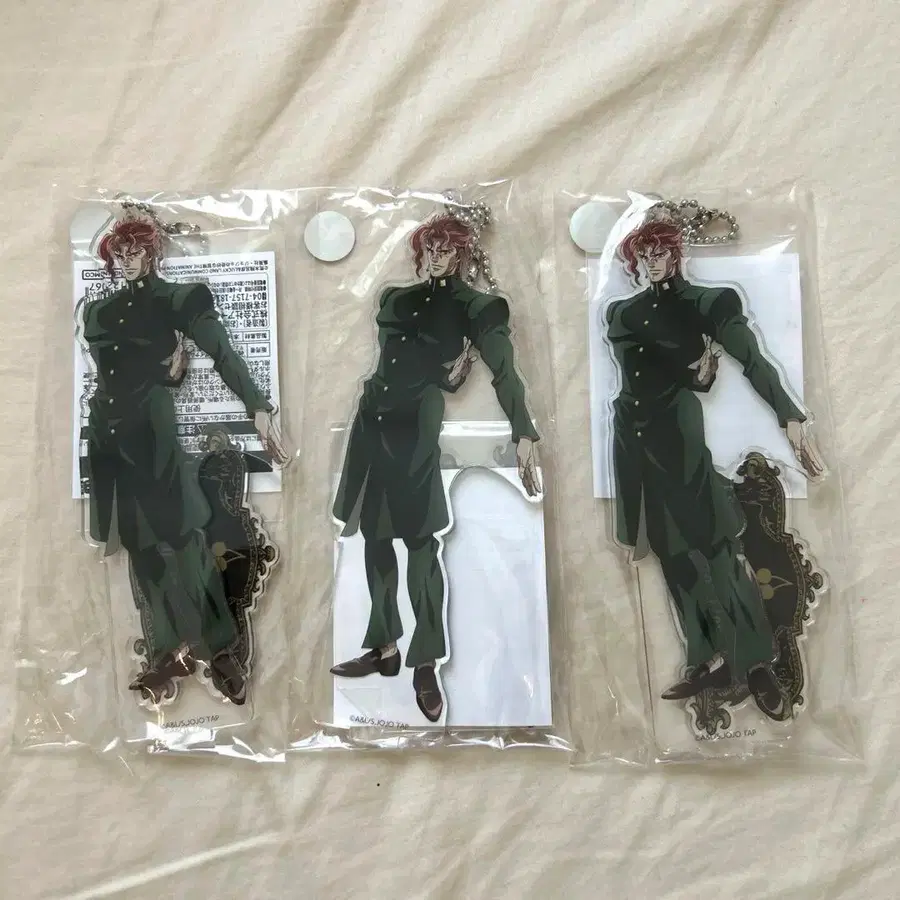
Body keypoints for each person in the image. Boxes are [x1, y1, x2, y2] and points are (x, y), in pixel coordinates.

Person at [607, 219, 824, 719]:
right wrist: (695, 377)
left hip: (679, 437)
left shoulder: (709, 302)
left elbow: (752, 360)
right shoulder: (620, 311)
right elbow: (646, 373)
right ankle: (706, 659)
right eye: (643, 254)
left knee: (716, 551)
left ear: (675, 254)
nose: (651, 262)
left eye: (659, 252)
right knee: (672, 557)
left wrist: (790, 416)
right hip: (632, 440)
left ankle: (757, 663)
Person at [330, 214, 541, 722]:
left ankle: (425, 662)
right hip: (372, 420)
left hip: (416, 427)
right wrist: (447, 378)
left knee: (421, 542)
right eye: (431, 247)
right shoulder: (394, 298)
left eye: (447, 249)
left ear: (462, 254)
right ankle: (384, 647)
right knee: (375, 538)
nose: (436, 257)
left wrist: (524, 431)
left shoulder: (478, 306)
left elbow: (505, 372)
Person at [82, 214, 288, 704]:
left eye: (135, 252)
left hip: (155, 432)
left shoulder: (179, 299)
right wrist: (165, 373)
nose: (127, 261)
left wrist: (258, 407)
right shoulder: (98, 311)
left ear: (152, 253)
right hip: (110, 437)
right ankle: (165, 654)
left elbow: (222, 352)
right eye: (119, 254)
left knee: (184, 539)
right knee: (141, 548)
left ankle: (221, 649)